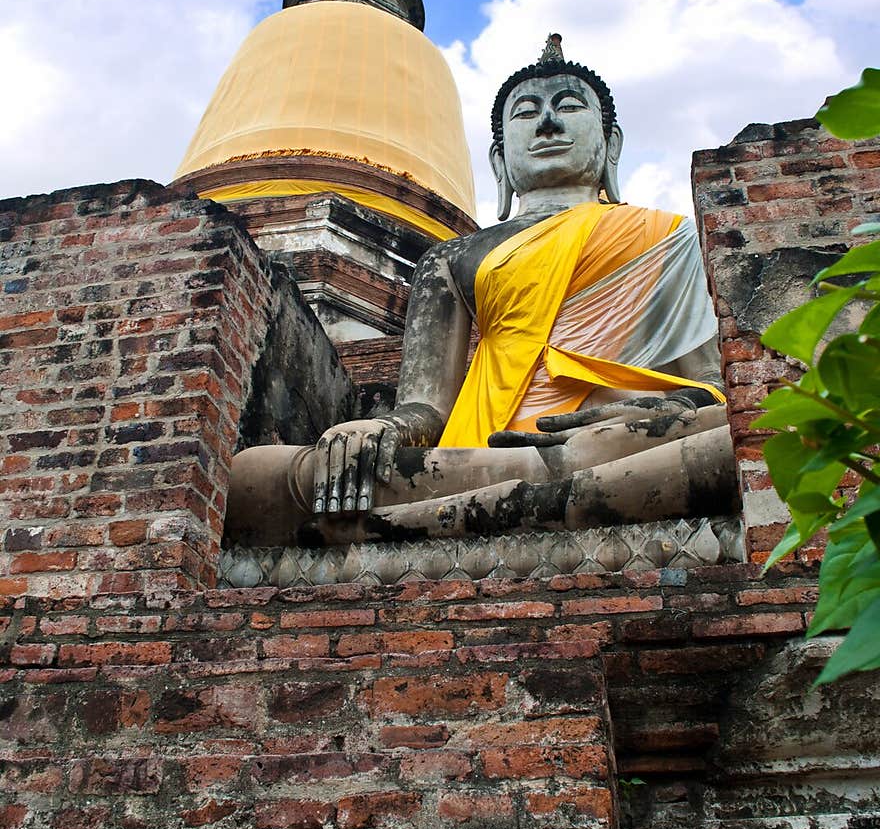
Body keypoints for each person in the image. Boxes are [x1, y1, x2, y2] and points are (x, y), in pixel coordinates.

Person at [225, 36, 733, 545]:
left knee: (738, 443)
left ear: (611, 143)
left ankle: (452, 524)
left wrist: (660, 413)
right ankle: (546, 499)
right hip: (482, 456)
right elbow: (427, 410)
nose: (548, 124)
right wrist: (380, 431)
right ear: (498, 159)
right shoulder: (451, 258)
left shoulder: (667, 237)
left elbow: (712, 382)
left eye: (570, 107)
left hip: (626, 444)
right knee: (255, 480)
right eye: (527, 113)